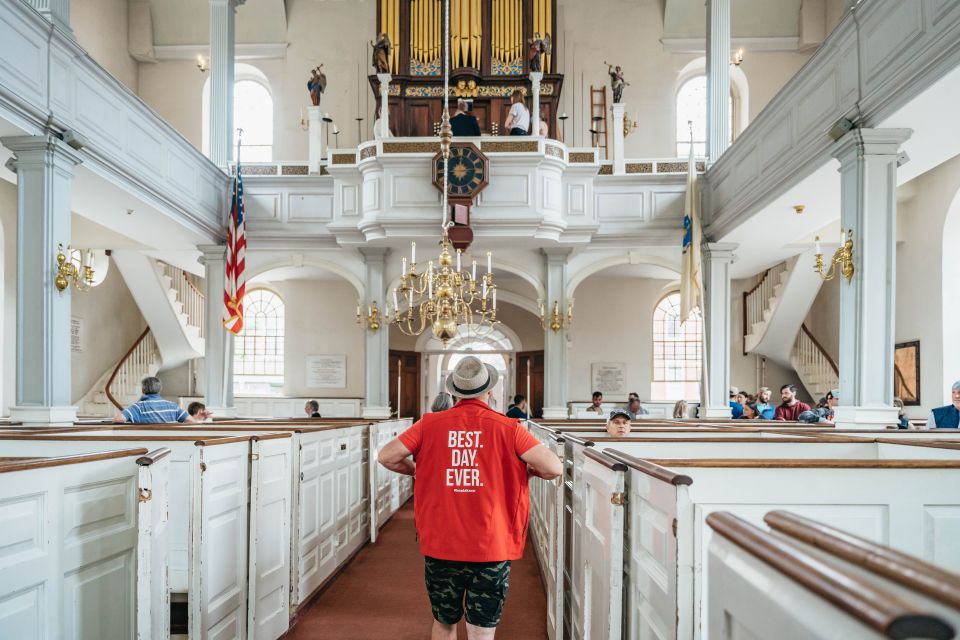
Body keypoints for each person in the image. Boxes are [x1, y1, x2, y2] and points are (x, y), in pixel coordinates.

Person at [376, 355, 562, 640]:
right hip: (492, 545)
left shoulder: (429, 424)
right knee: (482, 629)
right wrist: (526, 473)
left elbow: (387, 457)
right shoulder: (509, 428)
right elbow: (553, 467)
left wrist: (418, 471)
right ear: (489, 391)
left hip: (442, 544)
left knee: (444, 622)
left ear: (453, 391)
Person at [115, 376, 190, 424]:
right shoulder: (173, 406)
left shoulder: (137, 407)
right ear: (160, 389)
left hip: (147, 445)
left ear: (142, 390)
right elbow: (191, 420)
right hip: (170, 445)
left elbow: (119, 419)